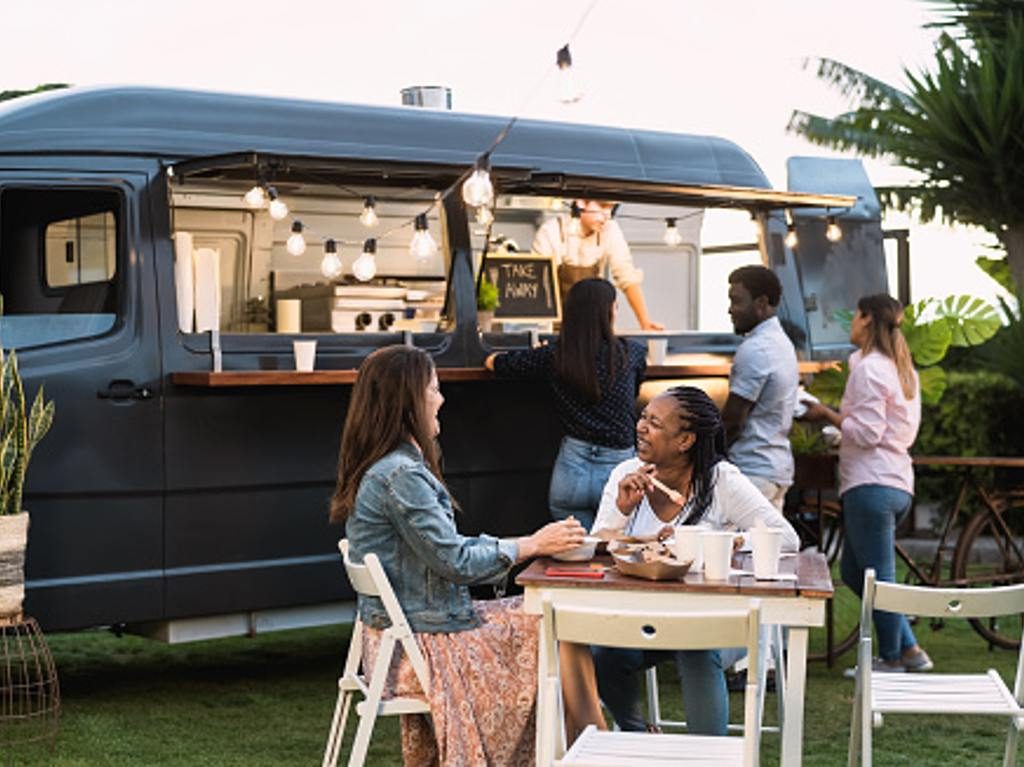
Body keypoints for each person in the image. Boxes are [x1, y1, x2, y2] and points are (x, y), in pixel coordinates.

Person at [332, 345, 605, 765]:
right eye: (434, 389)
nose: (441, 399)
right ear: (408, 401)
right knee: (557, 619)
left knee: (554, 614)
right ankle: (592, 745)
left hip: (401, 637)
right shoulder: (402, 476)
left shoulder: (387, 467)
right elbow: (456, 563)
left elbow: (448, 549)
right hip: (422, 647)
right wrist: (532, 545)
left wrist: (532, 540)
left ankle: (586, 744)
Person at [591, 385, 799, 734]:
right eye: (643, 417)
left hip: (720, 621)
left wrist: (727, 541)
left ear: (684, 441)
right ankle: (636, 733)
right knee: (604, 651)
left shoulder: (721, 481)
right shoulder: (626, 473)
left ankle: (708, 756)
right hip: (648, 618)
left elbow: (787, 538)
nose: (641, 427)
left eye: (654, 423)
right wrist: (622, 511)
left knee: (696, 646)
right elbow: (600, 543)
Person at [801, 294, 933, 674]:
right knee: (855, 574)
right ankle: (909, 650)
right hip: (894, 481)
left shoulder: (870, 370)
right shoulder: (900, 368)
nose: (850, 323)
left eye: (855, 316)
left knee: (878, 577)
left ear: (867, 320)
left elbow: (870, 432)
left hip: (870, 483)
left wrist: (826, 414)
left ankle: (891, 658)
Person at [485, 278, 647, 530]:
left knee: (578, 556)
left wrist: (534, 352)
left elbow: (495, 363)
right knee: (617, 554)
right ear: (610, 310)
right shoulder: (633, 353)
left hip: (572, 470)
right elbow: (631, 395)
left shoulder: (554, 355)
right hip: (620, 472)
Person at [722, 264, 799, 512]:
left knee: (735, 550)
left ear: (761, 302)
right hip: (774, 469)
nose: (730, 310)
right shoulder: (781, 343)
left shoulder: (756, 349)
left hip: (751, 472)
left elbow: (733, 420)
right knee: (765, 550)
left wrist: (702, 459)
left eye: (737, 301)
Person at [532, 199, 664, 330]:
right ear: (581, 202)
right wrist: (545, 333)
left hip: (595, 329)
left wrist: (645, 322)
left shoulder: (610, 229)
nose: (607, 215)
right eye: (602, 206)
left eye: (611, 208)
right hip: (558, 329)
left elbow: (627, 277)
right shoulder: (551, 231)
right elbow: (540, 289)